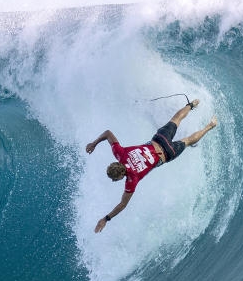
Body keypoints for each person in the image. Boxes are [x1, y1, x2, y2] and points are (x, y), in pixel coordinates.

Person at [85, 99, 218, 233]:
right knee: (176, 119)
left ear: (120, 175)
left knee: (188, 141)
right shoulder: (120, 153)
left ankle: (210, 126)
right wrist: (94, 143)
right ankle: (192, 105)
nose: (116, 180)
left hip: (167, 153)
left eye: (116, 179)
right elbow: (108, 133)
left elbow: (123, 204)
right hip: (160, 139)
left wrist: (106, 219)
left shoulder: (132, 179)